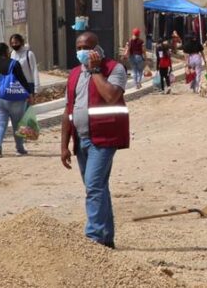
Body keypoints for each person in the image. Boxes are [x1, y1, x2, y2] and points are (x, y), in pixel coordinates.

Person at [60, 31, 128, 249]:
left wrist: (96, 70)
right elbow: (67, 111)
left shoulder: (114, 69)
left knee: (94, 185)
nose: (81, 51)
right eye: (78, 47)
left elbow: (111, 96)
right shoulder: (73, 75)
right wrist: (63, 145)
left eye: (86, 47)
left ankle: (94, 237)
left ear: (97, 49)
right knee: (97, 187)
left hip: (105, 137)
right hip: (81, 140)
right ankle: (106, 237)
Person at [0, 42, 35, 158]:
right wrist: (29, 93)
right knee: (17, 124)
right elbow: (22, 80)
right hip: (14, 96)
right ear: (5, 52)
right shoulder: (14, 63)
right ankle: (19, 149)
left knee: (0, 124)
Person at [9, 34, 40, 98]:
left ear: (21, 42)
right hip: (16, 85)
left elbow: (34, 70)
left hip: (28, 84)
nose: (14, 45)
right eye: (12, 43)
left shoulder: (29, 54)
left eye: (16, 42)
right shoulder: (12, 54)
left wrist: (36, 88)